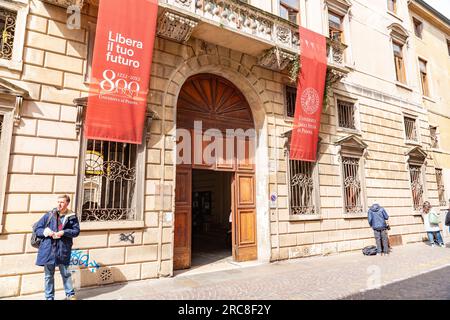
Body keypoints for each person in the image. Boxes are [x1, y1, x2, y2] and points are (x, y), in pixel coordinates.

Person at [35, 195, 80, 300]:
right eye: (58, 202)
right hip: (49, 249)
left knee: (66, 274)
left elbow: (76, 231)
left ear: (67, 203)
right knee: (48, 276)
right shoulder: (50, 214)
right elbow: (38, 229)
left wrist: (64, 232)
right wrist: (46, 232)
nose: (59, 204)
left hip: (63, 249)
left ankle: (70, 294)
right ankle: (49, 297)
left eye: (62, 202)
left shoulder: (72, 216)